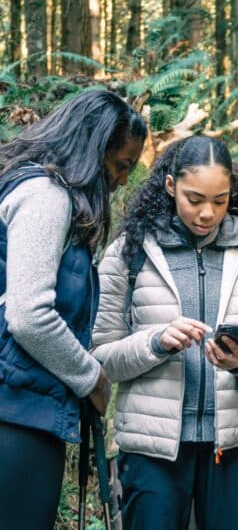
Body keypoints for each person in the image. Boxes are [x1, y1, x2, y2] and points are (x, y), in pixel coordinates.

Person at [91, 135, 238, 530]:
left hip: (233, 449)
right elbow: (100, 357)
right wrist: (155, 342)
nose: (207, 214)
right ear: (170, 186)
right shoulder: (128, 254)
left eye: (220, 200)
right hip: (153, 450)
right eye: (194, 199)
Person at [0, 90, 147, 530]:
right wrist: (91, 377)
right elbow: (29, 315)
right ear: (93, 147)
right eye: (122, 164)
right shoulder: (47, 195)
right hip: (15, 414)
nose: (122, 180)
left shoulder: (33, 188)